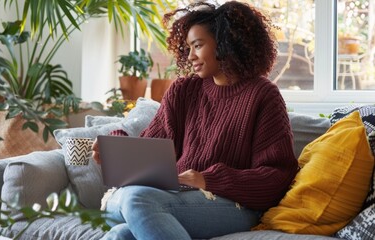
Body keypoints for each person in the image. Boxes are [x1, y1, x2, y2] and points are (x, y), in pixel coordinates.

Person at [92, 1, 298, 239]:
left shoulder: (262, 95)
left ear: (225, 45)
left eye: (197, 46)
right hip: (174, 197)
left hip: (233, 205)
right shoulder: (183, 91)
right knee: (120, 232)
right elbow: (151, 151)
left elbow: (276, 177)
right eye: (188, 48)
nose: (190, 56)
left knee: (135, 200)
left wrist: (207, 179)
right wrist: (115, 148)